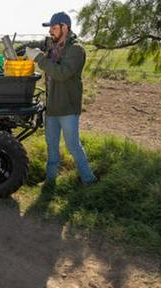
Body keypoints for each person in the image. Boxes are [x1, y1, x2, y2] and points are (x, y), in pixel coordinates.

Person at [25, 12, 97, 185]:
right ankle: (50, 180)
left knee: (72, 145)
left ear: (65, 28)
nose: (51, 31)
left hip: (67, 107)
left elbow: (61, 73)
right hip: (52, 107)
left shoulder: (76, 50)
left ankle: (88, 179)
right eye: (50, 28)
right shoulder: (52, 44)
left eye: (54, 27)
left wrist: (39, 58)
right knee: (51, 146)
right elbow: (37, 44)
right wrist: (21, 49)